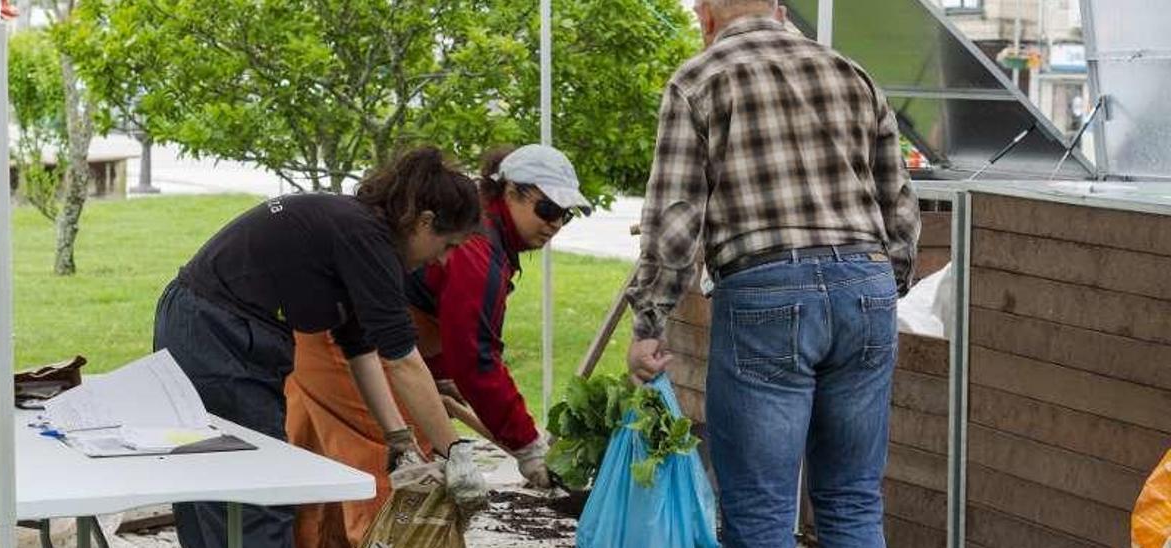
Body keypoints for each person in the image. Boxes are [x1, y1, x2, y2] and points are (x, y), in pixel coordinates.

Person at [623, 1, 921, 547]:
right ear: (781, 12)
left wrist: (650, 321)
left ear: (704, 17)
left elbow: (675, 218)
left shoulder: (699, 79)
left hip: (766, 291)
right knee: (853, 500)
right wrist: (885, 285)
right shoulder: (850, 73)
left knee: (761, 512)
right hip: (866, 287)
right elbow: (898, 201)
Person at [153, 146, 491, 548]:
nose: (445, 261)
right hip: (217, 331)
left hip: (201, 321)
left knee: (216, 483)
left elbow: (361, 348)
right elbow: (402, 358)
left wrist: (398, 439)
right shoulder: (367, 237)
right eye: (449, 245)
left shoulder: (356, 229)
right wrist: (456, 454)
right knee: (256, 494)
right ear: (424, 221)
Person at [286, 144, 591, 548]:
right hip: (349, 347)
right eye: (548, 209)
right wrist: (527, 445)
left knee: (321, 475)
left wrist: (438, 376)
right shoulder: (476, 247)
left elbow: (454, 341)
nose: (555, 224)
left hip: (323, 338)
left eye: (565, 216)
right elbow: (476, 358)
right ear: (511, 192)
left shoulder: (478, 232)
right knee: (400, 476)